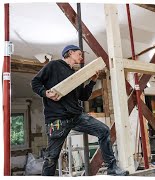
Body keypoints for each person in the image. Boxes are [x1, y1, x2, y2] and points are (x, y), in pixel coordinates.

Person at [31, 45, 129, 176]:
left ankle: (112, 168)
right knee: (51, 156)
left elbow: (83, 96)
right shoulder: (54, 65)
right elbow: (35, 82)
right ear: (70, 53)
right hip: (57, 119)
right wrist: (46, 93)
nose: (82, 57)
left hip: (76, 116)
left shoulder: (76, 75)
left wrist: (92, 81)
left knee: (104, 131)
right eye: (79, 54)